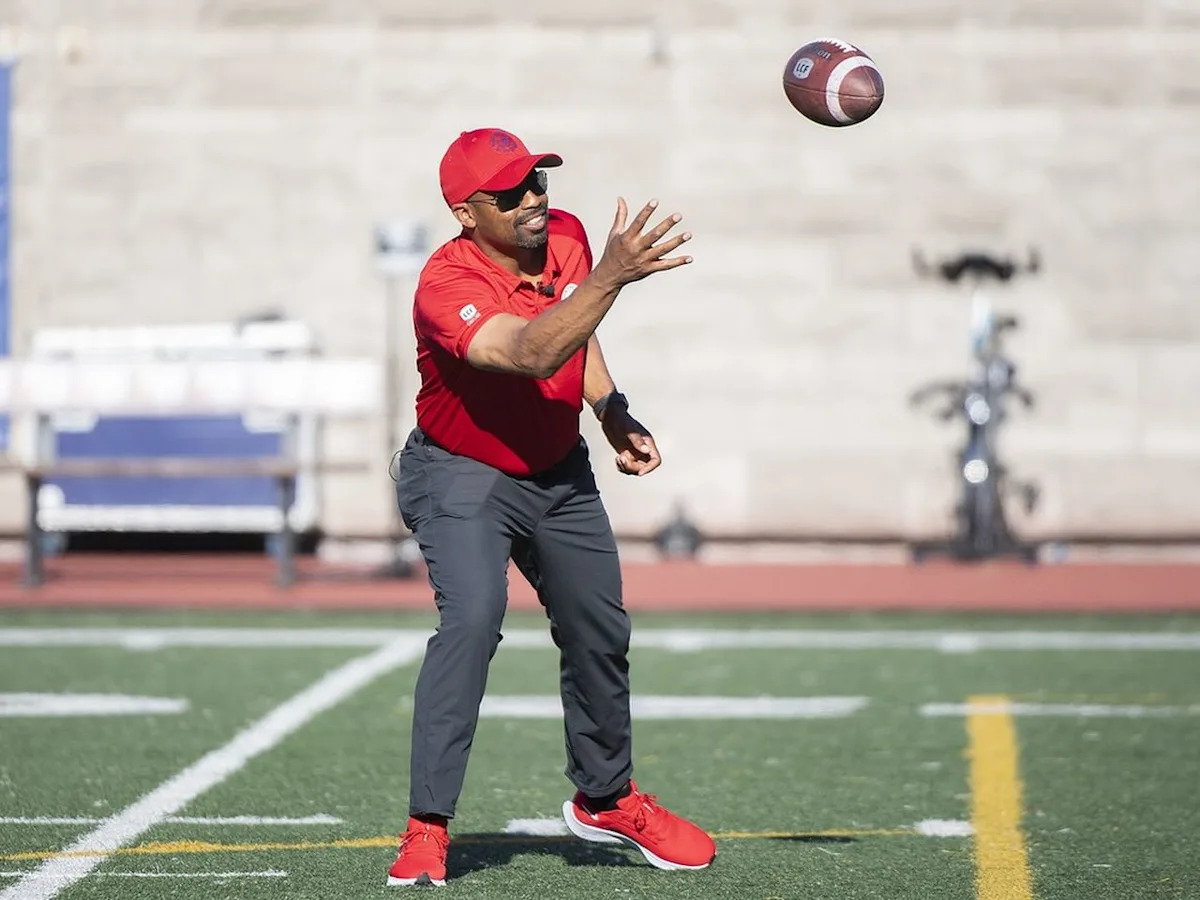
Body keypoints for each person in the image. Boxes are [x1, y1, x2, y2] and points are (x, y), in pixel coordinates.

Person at [386, 127, 716, 887]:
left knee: (599, 626)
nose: (533, 199)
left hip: (556, 468)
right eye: (510, 193)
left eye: (538, 181)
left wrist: (611, 409)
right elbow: (532, 350)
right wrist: (613, 276)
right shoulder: (445, 286)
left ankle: (606, 799)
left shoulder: (564, 235)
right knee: (472, 621)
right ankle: (427, 826)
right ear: (467, 214)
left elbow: (575, 332)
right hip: (462, 471)